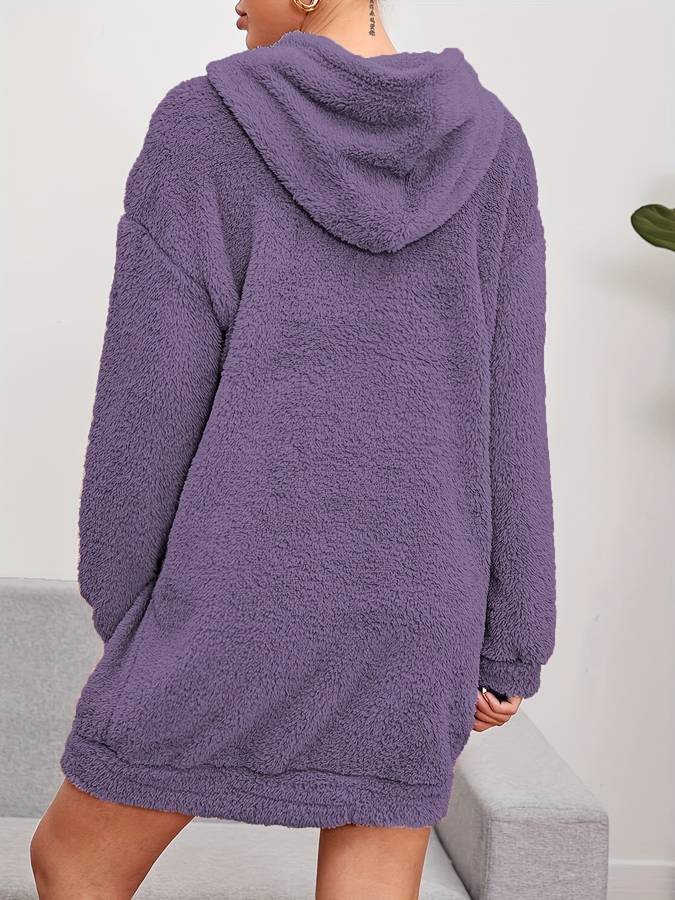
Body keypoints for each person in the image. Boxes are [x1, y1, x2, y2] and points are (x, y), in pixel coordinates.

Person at [30, 0, 556, 897]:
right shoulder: (495, 143)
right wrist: (512, 637)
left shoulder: (203, 125)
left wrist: (125, 606)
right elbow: (513, 406)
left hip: (234, 596)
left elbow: (145, 405)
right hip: (420, 608)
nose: (233, 4)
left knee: (72, 859)